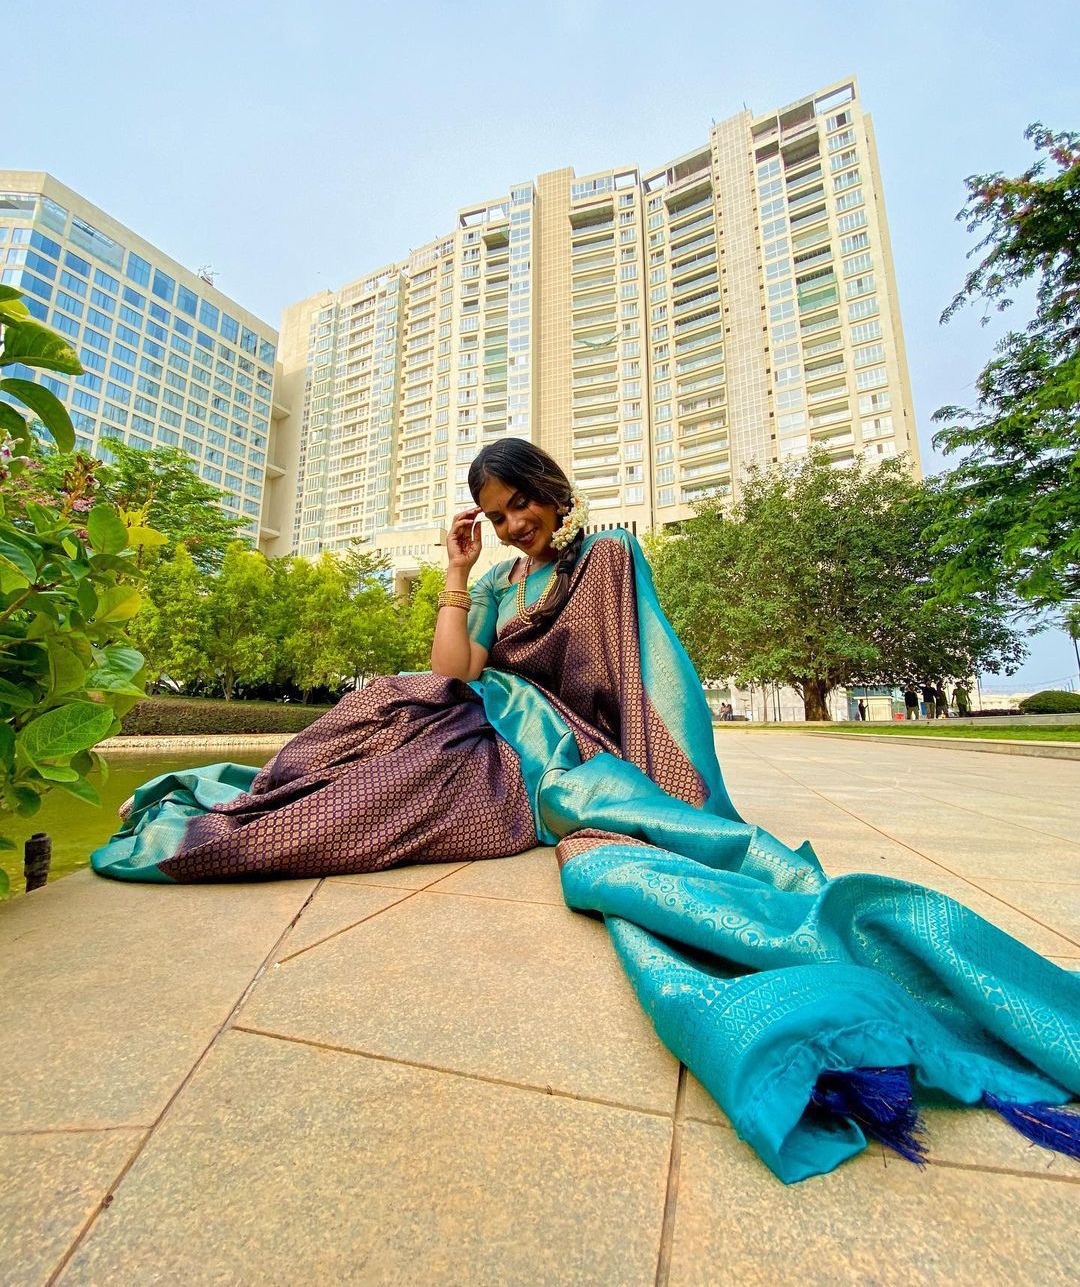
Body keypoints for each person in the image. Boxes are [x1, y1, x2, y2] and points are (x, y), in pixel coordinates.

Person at [93, 439, 1079, 1186]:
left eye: (523, 503)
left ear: (553, 492)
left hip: (562, 765)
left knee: (398, 757)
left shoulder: (604, 557)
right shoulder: (502, 578)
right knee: (381, 701)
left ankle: (237, 834)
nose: (516, 521)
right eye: (496, 510)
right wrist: (454, 573)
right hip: (483, 731)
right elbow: (452, 675)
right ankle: (254, 812)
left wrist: (662, 800)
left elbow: (649, 684)